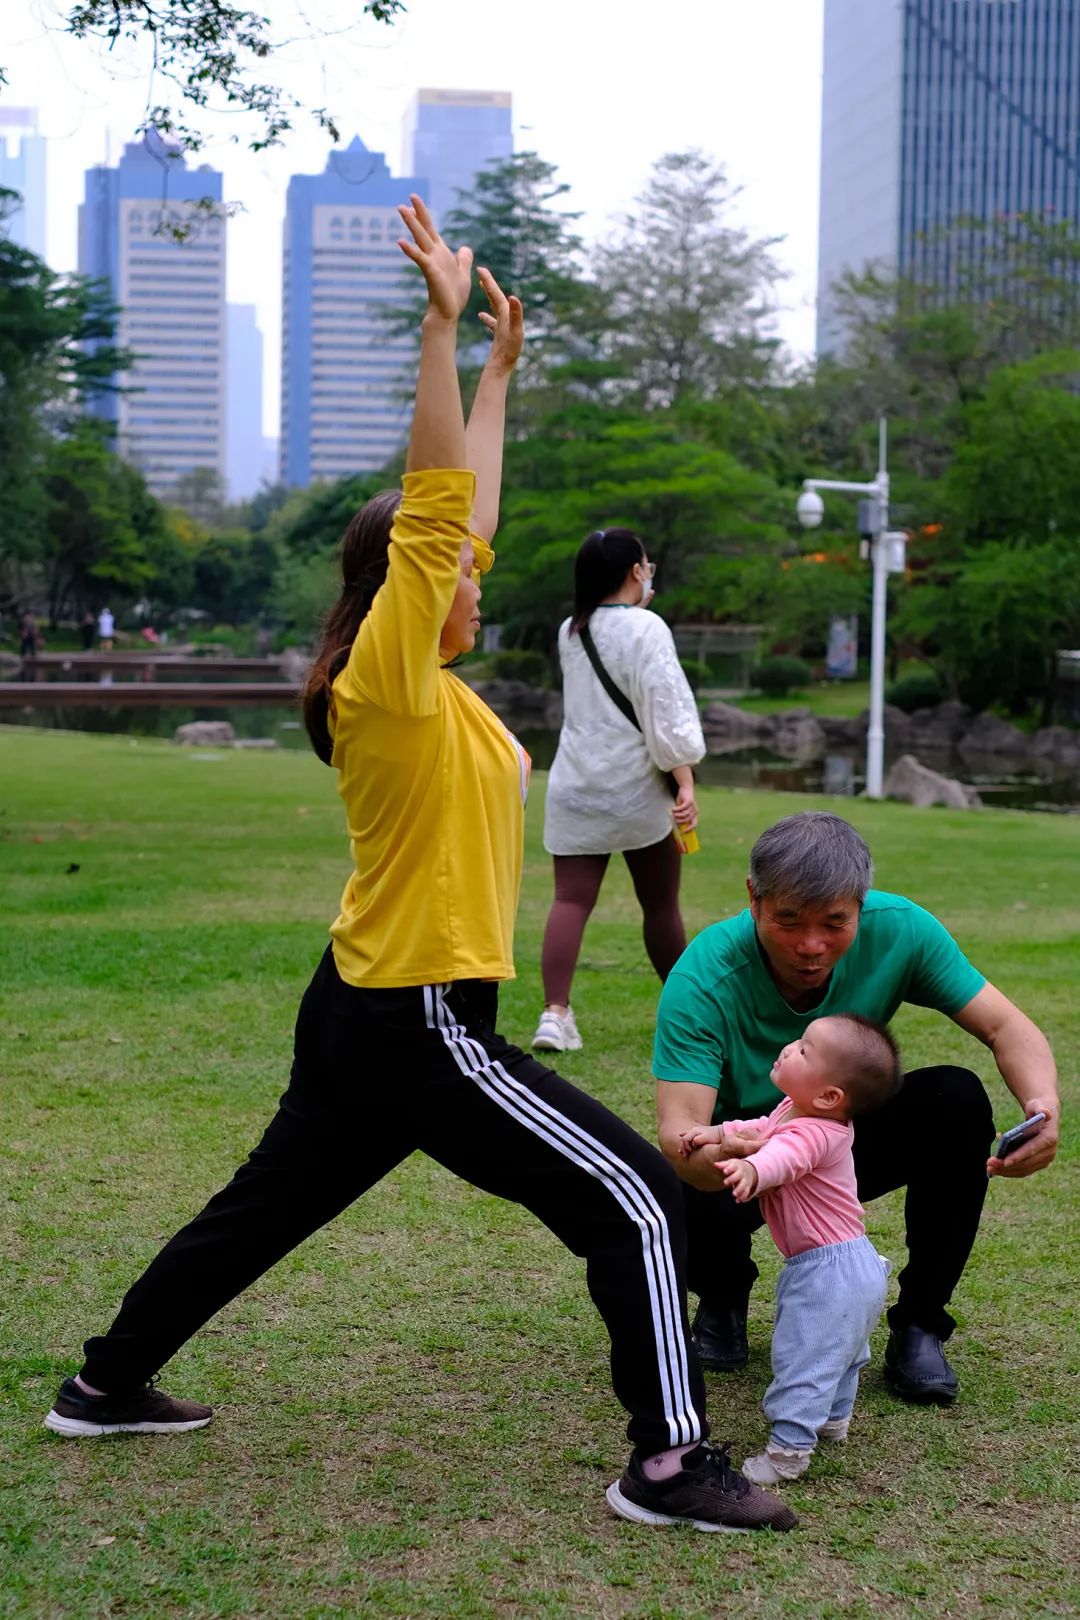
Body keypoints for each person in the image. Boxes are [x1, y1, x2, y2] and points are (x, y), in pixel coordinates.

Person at [42, 197, 795, 1537]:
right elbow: (441, 509)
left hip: (365, 1003)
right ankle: (669, 1463)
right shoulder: (390, 677)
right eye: (456, 570)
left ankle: (106, 1383)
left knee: (260, 1211)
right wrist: (438, 338)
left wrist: (497, 369)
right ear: (410, 582)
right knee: (633, 1206)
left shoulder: (419, 677)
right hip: (417, 1014)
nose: (479, 580)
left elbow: (461, 510)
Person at [654, 810, 1060, 1405]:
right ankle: (721, 1299)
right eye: (788, 920)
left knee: (955, 1098)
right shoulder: (704, 977)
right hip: (746, 1153)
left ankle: (920, 1323)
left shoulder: (902, 931)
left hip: (837, 1141)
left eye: (834, 923)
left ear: (861, 906)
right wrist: (720, 1149)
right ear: (754, 898)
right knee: (688, 1160)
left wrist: (1042, 1106)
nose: (811, 946)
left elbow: (1005, 1025)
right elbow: (679, 1132)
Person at [681, 1014, 901, 1484]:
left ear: (829, 1096)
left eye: (804, 1049)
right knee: (842, 1349)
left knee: (803, 1355)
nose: (788, 1047)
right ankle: (834, 1420)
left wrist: (752, 1171)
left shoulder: (820, 1132)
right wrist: (720, 1135)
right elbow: (763, 1129)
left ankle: (788, 1452)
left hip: (827, 1268)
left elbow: (785, 1156)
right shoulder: (796, 1110)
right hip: (854, 1261)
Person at [532, 529, 705, 1053]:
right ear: (636, 570)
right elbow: (665, 709)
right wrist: (684, 780)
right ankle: (689, 1013)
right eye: (646, 564)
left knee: (569, 899)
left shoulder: (570, 630)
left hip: (576, 784)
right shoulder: (647, 628)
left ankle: (555, 1013)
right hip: (635, 790)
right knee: (660, 906)